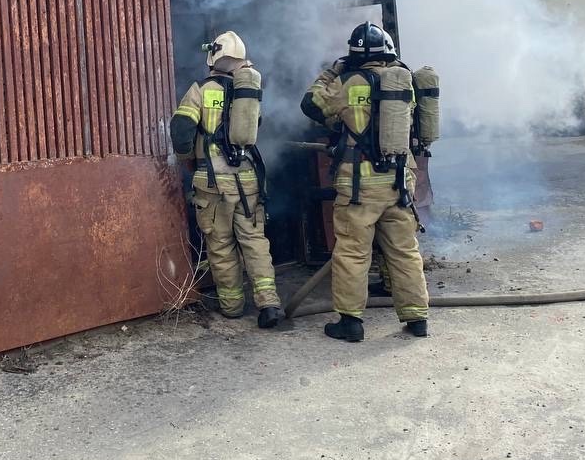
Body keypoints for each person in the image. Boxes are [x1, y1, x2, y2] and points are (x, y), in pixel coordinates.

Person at [301, 22, 429, 344]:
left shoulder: (347, 82)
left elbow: (311, 104)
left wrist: (332, 72)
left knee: (353, 253)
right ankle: (417, 318)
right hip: (399, 183)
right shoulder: (405, 81)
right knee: (404, 251)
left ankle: (351, 323)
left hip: (359, 187)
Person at [170, 31, 284, 329]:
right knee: (254, 241)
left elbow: (181, 130)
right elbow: (255, 127)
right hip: (247, 181)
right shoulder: (248, 93)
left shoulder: (201, 90)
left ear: (213, 56)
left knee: (221, 245)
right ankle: (269, 303)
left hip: (212, 183)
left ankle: (232, 307)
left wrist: (187, 159)